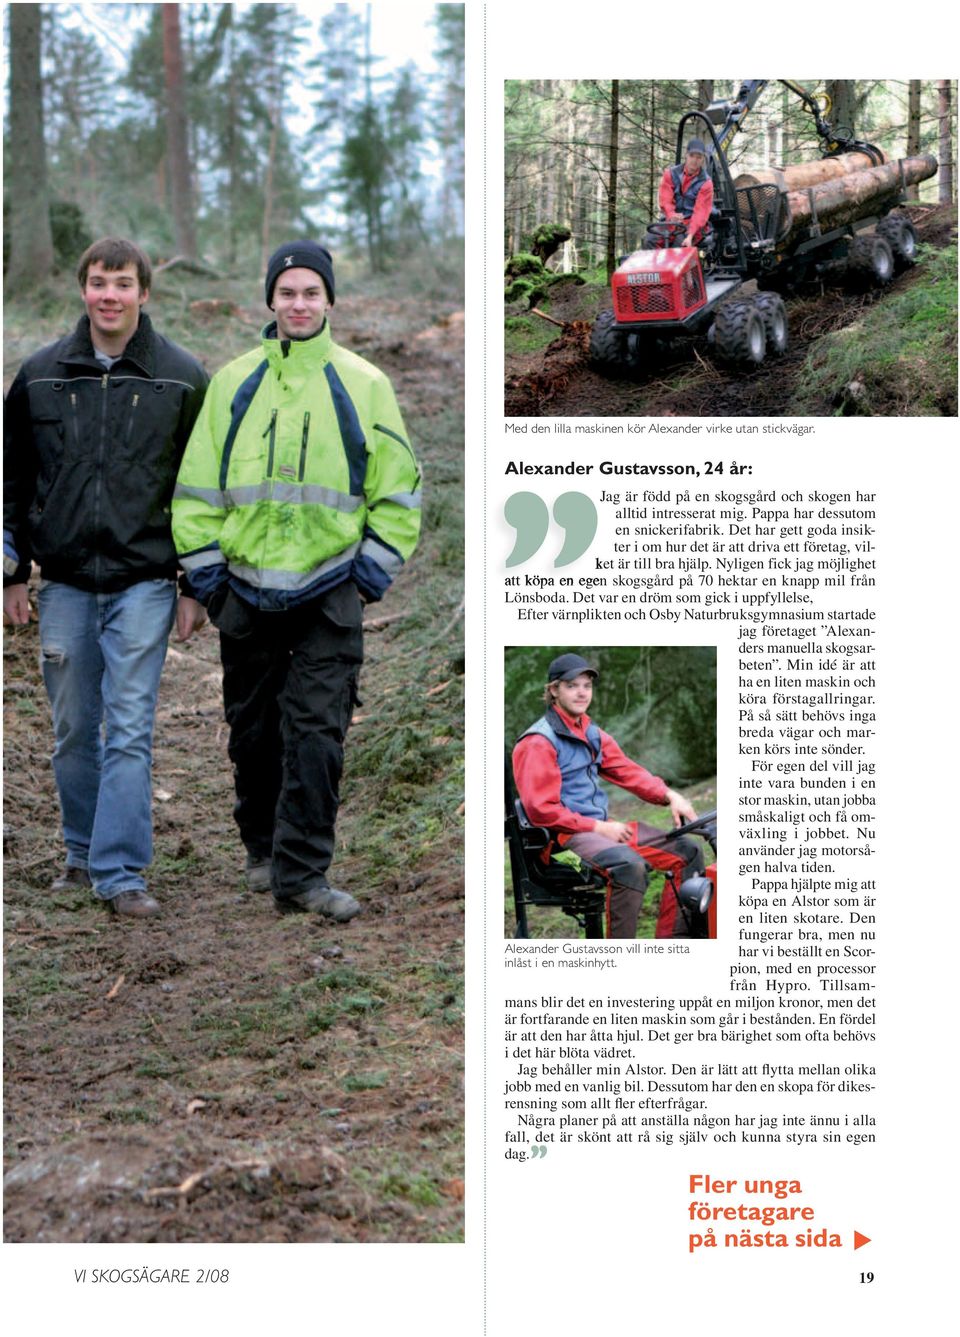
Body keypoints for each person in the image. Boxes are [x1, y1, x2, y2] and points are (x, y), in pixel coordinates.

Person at [172, 241, 421, 923]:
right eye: (287, 293)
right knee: (254, 734)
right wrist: (211, 582)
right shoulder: (233, 382)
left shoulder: (364, 383)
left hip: (329, 594)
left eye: (312, 292)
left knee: (317, 733)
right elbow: (194, 491)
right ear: (271, 301)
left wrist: (365, 579)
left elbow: (397, 496)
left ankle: (304, 873)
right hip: (243, 595)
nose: (300, 304)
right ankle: (262, 848)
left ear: (330, 300)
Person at [3, 237, 209, 917]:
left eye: (122, 283)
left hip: (144, 580)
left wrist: (192, 585)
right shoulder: (38, 375)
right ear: (83, 290)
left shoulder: (181, 378)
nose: (109, 294)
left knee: (128, 728)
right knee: (71, 727)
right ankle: (80, 853)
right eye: (98, 282)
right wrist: (12, 571)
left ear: (145, 293)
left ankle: (121, 873)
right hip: (61, 583)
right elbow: (11, 481)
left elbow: (202, 489)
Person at [512, 654, 706, 939]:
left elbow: (627, 771)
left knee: (687, 853)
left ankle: (676, 942)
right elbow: (542, 810)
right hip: (562, 838)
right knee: (628, 866)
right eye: (572, 686)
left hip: (598, 828)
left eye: (586, 686)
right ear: (554, 690)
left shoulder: (590, 733)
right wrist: (599, 827)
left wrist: (669, 795)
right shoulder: (538, 743)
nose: (581, 693)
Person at [657, 137, 715, 248]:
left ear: (703, 159)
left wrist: (690, 236)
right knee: (650, 239)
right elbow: (665, 199)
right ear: (686, 155)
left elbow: (701, 213)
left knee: (679, 245)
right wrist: (671, 214)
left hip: (692, 225)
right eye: (692, 156)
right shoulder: (670, 174)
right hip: (671, 222)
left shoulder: (706, 183)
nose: (695, 160)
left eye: (699, 157)